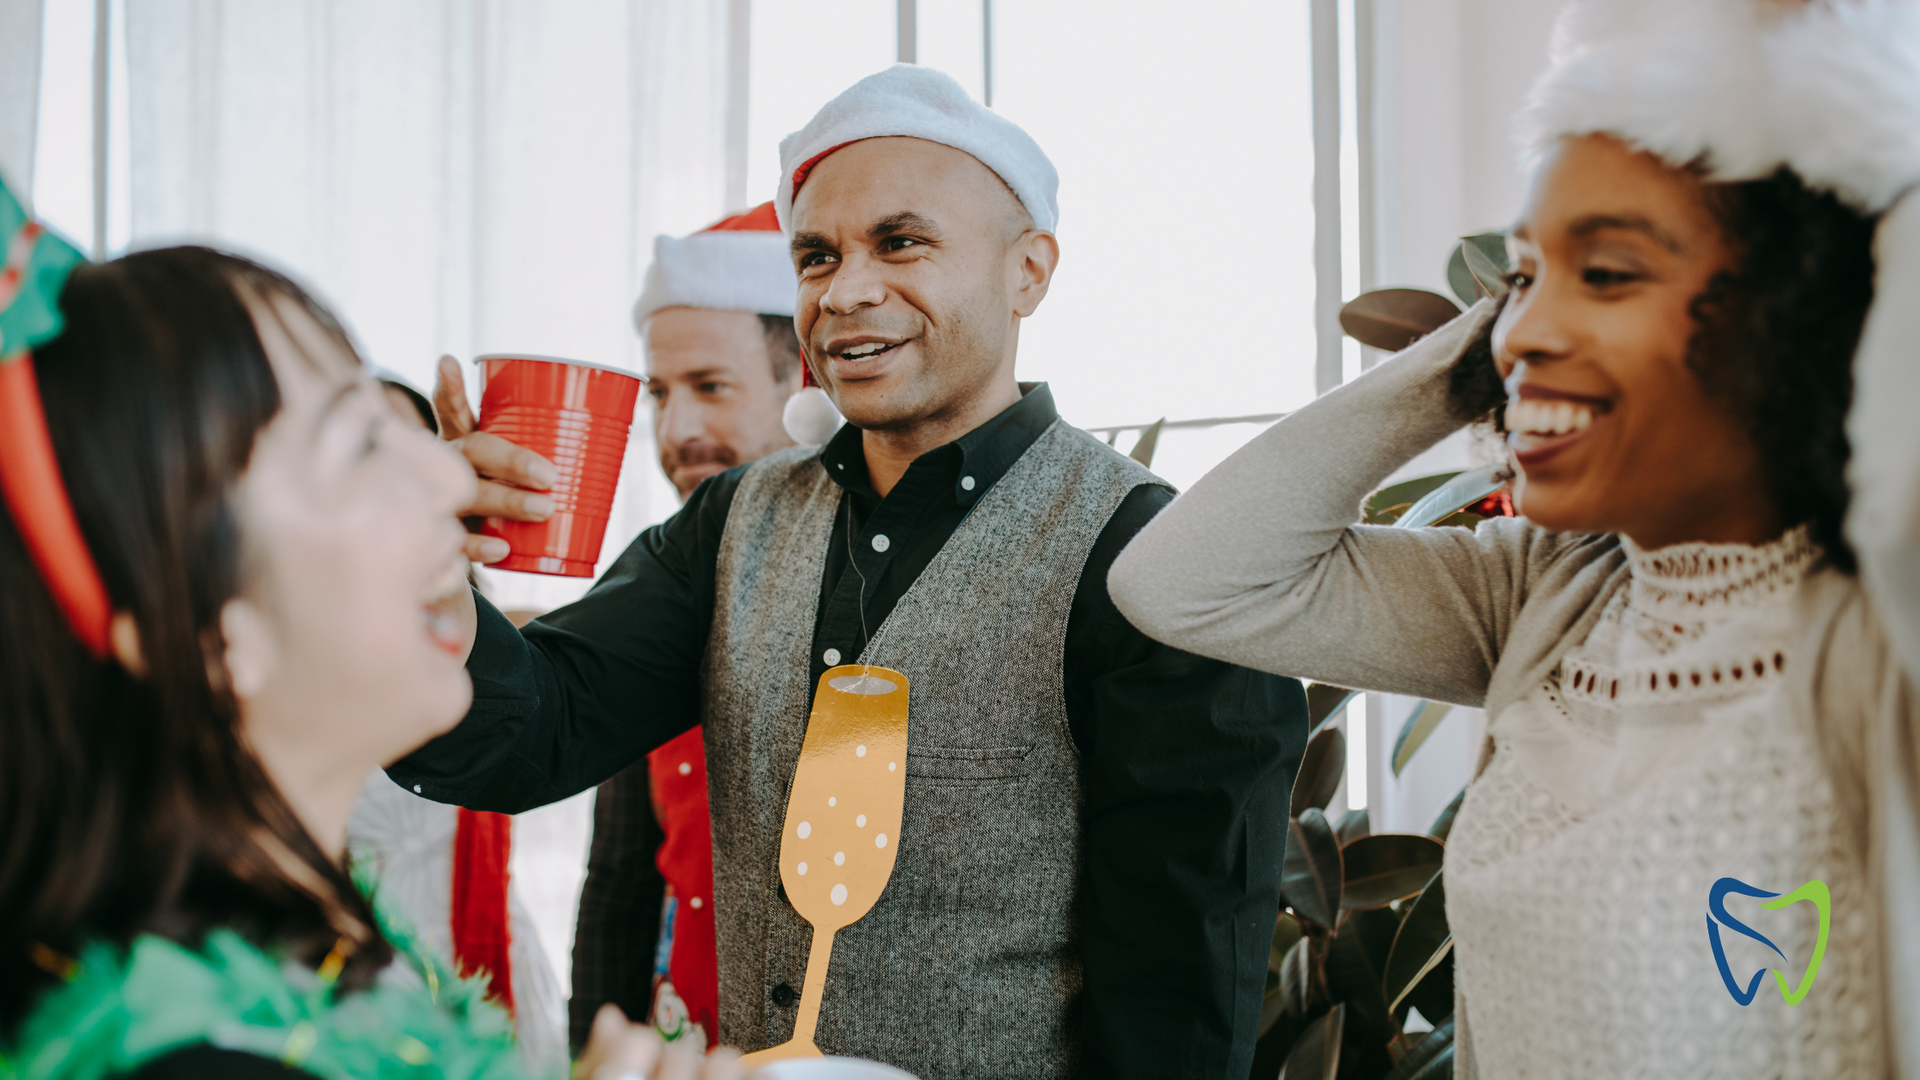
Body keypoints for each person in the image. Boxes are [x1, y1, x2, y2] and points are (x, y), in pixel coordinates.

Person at [397, 65, 1307, 1079]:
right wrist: (421, 565)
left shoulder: (1149, 560)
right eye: (817, 256)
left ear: (1030, 271)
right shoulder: (730, 525)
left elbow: (1177, 1007)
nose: (848, 290)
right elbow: (526, 737)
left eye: (901, 242)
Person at [1108, 1, 1920, 1074]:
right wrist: (1475, 351)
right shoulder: (1545, 595)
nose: (1523, 332)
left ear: (1809, 314)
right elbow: (1187, 581)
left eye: (1611, 271)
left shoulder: (1877, 637)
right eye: (1522, 278)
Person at [0, 178, 736, 1080]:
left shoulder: (307, 962)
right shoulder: (199, 1061)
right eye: (361, 446)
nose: (456, 483)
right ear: (210, 637)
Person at [568, 202, 807, 1054]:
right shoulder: (656, 586)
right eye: (660, 395)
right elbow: (622, 878)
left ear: (804, 381)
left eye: (711, 387)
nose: (677, 433)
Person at [346, 372, 571, 1073]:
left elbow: (556, 665)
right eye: (364, 452)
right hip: (360, 976)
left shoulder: (479, 642)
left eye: (415, 454)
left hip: (489, 955)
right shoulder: (296, 658)